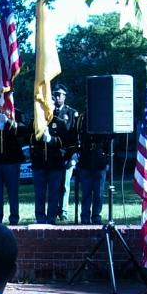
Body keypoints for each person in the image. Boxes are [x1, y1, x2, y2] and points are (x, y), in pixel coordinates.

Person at [31, 86, 77, 224]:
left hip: (55, 163)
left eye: (49, 104)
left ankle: (51, 218)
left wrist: (52, 140)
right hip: (39, 163)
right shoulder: (36, 122)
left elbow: (65, 141)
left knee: (54, 193)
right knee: (39, 193)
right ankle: (40, 217)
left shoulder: (60, 122)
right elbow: (29, 139)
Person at [52, 85, 81, 222]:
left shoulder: (71, 113)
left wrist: (74, 154)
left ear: (64, 96)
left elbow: (75, 136)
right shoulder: (49, 112)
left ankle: (63, 210)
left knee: (64, 185)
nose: (57, 97)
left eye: (60, 95)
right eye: (55, 94)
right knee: (53, 184)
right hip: (52, 155)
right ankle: (53, 210)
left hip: (66, 155)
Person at [76, 115, 111, 225]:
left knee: (98, 192)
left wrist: (108, 159)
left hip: (99, 159)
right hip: (85, 159)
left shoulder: (102, 117)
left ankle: (96, 216)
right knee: (86, 191)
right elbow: (76, 135)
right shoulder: (82, 118)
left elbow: (109, 140)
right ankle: (85, 216)